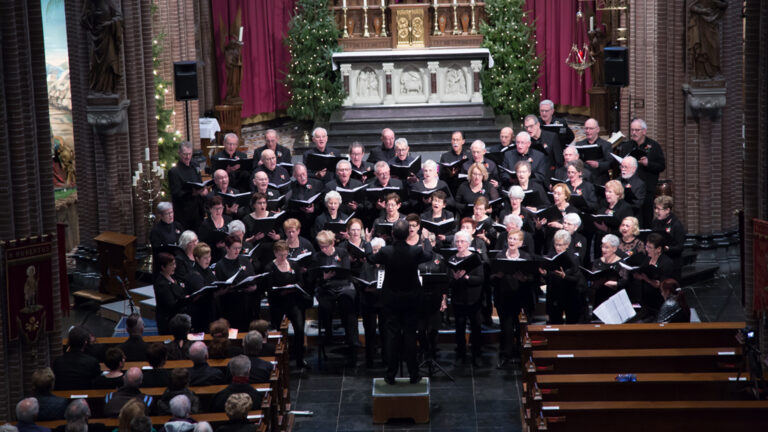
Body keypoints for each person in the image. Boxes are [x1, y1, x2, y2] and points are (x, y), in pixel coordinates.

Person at [366, 219, 433, 384]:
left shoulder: (386, 251)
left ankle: (390, 375)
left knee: (392, 337)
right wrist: (425, 239)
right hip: (411, 300)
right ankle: (414, 374)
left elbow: (370, 258)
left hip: (391, 301)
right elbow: (429, 255)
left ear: (392, 234)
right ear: (407, 233)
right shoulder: (416, 251)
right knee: (410, 337)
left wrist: (367, 241)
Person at [311, 230, 358, 365]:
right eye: (321, 246)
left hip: (343, 286)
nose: (323, 249)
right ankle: (328, 335)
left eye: (326, 246)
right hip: (326, 287)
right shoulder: (317, 257)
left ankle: (352, 340)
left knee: (347, 304)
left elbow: (347, 273)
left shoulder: (342, 253)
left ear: (332, 243)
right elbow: (314, 278)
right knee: (325, 305)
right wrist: (323, 277)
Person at [491, 230, 535, 367]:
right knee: (506, 328)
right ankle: (506, 355)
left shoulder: (526, 257)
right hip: (504, 297)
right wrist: (497, 276)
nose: (511, 241)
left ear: (521, 243)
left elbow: (533, 278)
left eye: (515, 239)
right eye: (510, 238)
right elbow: (491, 278)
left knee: (520, 327)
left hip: (521, 297)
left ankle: (521, 355)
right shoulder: (500, 255)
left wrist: (524, 279)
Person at [265, 240, 310, 369]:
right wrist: (282, 291)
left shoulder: (294, 265)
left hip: (293, 303)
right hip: (278, 304)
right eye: (280, 255)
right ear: (275, 253)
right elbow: (269, 290)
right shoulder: (270, 268)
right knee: (279, 333)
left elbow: (301, 282)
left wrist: (294, 287)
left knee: (299, 330)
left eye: (285, 254)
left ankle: (300, 359)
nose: (283, 258)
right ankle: (280, 361)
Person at [618, 119, 666, 226]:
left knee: (645, 219)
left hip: (646, 190)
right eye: (632, 130)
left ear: (644, 131)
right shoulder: (627, 146)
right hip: (629, 189)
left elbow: (661, 166)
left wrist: (648, 163)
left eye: (637, 130)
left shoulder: (653, 146)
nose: (634, 133)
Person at [448, 230, 485, 366]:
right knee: (459, 327)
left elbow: (480, 279)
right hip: (458, 299)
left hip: (474, 299)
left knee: (476, 327)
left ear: (468, 243)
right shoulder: (452, 259)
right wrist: (456, 278)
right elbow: (449, 282)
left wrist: (467, 277)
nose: (459, 243)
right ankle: (460, 354)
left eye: (462, 241)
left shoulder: (475, 258)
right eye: (457, 241)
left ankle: (476, 354)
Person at [539, 230, 586, 324]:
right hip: (554, 294)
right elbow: (549, 277)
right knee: (555, 322)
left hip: (570, 294)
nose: (558, 247)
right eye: (556, 244)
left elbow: (578, 278)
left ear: (567, 244)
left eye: (561, 245)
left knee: (571, 322)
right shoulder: (550, 256)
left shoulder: (574, 258)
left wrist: (565, 276)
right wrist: (544, 274)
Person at [214, 235, 260, 330]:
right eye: (234, 248)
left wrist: (254, 287)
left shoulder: (244, 260)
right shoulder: (220, 265)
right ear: (227, 248)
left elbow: (253, 278)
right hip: (230, 304)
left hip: (246, 302)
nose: (237, 251)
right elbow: (219, 288)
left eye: (239, 248)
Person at [168, 142, 207, 231]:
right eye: (185, 154)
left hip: (197, 210)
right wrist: (192, 193)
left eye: (189, 154)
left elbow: (199, 182)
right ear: (179, 153)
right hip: (183, 213)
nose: (188, 157)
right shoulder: (174, 172)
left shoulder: (195, 165)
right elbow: (176, 193)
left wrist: (203, 190)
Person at [632, 232, 675, 313]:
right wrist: (638, 275)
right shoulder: (647, 259)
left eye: (649, 247)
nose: (646, 249)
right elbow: (642, 272)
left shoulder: (667, 263)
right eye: (646, 246)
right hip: (645, 299)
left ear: (658, 249)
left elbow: (661, 285)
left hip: (659, 301)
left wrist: (647, 279)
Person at [651, 195, 686, 281]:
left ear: (667, 210)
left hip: (673, 262)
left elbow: (680, 247)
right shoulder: (656, 222)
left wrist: (667, 248)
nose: (656, 211)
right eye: (655, 208)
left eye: (659, 209)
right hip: (659, 261)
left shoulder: (676, 225)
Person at [153, 253, 189, 335]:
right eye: (171, 265)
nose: (174, 266)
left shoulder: (173, 277)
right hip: (168, 321)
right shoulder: (161, 284)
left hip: (179, 318)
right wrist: (185, 299)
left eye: (174, 263)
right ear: (163, 267)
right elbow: (171, 304)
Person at [591, 234, 629, 308]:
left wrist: (612, 283)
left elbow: (624, 282)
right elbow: (593, 277)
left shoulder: (621, 264)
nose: (603, 250)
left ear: (614, 249)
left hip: (615, 298)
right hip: (599, 297)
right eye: (602, 246)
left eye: (607, 247)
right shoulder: (597, 261)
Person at [574, 118, 613, 185]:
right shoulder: (579, 144)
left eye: (591, 128)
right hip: (584, 181)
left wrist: (598, 165)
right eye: (586, 128)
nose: (588, 131)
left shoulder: (606, 145)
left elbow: (610, 163)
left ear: (597, 130)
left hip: (600, 180)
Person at [198, 196, 231, 263]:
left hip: (228, 253)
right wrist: (216, 246)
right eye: (216, 209)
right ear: (210, 209)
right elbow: (201, 245)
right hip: (213, 256)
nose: (218, 211)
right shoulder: (205, 225)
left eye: (220, 208)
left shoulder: (228, 219)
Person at [618, 156, 648, 223]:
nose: (623, 169)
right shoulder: (617, 181)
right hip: (617, 217)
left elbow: (637, 205)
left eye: (625, 167)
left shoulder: (640, 184)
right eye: (621, 166)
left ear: (634, 169)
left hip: (631, 219)